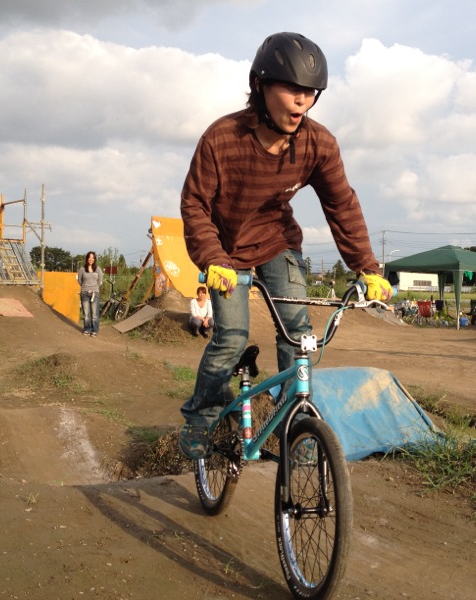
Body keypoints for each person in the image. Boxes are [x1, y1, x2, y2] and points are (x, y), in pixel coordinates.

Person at [178, 32, 393, 459]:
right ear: (260, 85)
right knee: (231, 338)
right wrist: (212, 258)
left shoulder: (317, 144)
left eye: (310, 92)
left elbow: (341, 204)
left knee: (299, 338)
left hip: (278, 243)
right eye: (292, 88)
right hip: (226, 253)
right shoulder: (222, 138)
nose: (302, 101)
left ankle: (293, 424)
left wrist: (367, 267)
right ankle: (201, 418)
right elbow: (195, 204)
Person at [77, 251, 103, 337]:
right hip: (84, 293)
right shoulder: (82, 269)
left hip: (95, 293)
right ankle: (87, 329)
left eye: (92, 258)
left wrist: (94, 287)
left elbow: (100, 281)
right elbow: (79, 280)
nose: (91, 259)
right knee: (86, 314)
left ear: (94, 259)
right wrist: (85, 287)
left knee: (94, 314)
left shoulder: (98, 269)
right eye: (89, 257)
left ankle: (94, 330)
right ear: (87, 258)